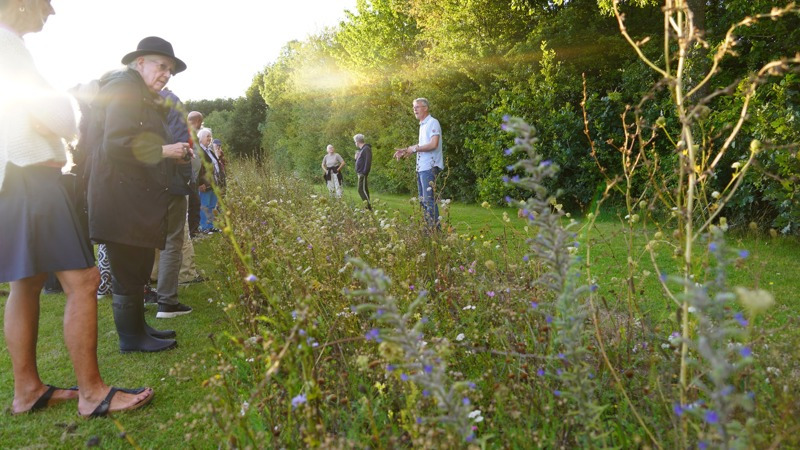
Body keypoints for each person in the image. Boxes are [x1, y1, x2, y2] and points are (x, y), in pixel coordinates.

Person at [0, 0, 153, 416]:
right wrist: (61, 116)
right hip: (32, 174)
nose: (50, 14)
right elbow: (60, 116)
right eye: (45, 5)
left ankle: (27, 390)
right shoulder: (9, 46)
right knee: (84, 280)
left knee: (26, 282)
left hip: (13, 177)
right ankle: (92, 393)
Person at [85, 36, 190, 353]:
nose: (166, 74)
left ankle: (139, 329)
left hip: (131, 198)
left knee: (138, 266)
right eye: (162, 66)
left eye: (170, 70)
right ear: (140, 61)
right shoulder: (124, 87)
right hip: (120, 199)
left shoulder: (140, 93)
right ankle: (131, 339)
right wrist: (166, 150)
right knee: (129, 270)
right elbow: (116, 144)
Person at [152, 87, 193, 319]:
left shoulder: (131, 98)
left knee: (142, 240)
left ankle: (141, 293)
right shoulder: (170, 100)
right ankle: (166, 301)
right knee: (171, 239)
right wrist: (186, 159)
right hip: (170, 180)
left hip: (138, 184)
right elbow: (181, 146)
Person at [394, 98, 444, 229]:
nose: (414, 109)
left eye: (417, 107)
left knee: (428, 201)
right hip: (422, 167)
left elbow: (434, 144)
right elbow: (422, 145)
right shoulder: (423, 125)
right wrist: (407, 150)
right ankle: (429, 230)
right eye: (413, 107)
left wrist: (414, 149)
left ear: (425, 108)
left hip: (430, 167)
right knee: (423, 202)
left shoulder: (433, 123)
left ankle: (436, 232)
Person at [196, 127, 220, 233]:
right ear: (201, 138)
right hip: (205, 183)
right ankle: (204, 227)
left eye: (210, 136)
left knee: (212, 205)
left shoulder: (209, 151)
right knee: (204, 206)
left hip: (213, 183)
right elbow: (199, 168)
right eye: (207, 136)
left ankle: (210, 226)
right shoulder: (199, 150)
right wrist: (200, 183)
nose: (210, 138)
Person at [186, 111, 203, 237]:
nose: (200, 125)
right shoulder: (186, 133)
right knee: (193, 203)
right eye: (200, 122)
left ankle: (194, 231)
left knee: (195, 203)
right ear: (197, 121)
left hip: (195, 176)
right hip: (188, 176)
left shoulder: (194, 135)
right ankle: (192, 232)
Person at [353, 134, 372, 210]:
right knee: (364, 190)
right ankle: (367, 207)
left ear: (357, 142)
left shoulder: (366, 149)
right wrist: (356, 159)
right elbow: (360, 161)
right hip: (360, 173)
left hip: (362, 173)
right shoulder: (362, 150)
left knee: (361, 190)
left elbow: (368, 161)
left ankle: (368, 208)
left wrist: (364, 172)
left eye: (355, 142)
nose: (355, 143)